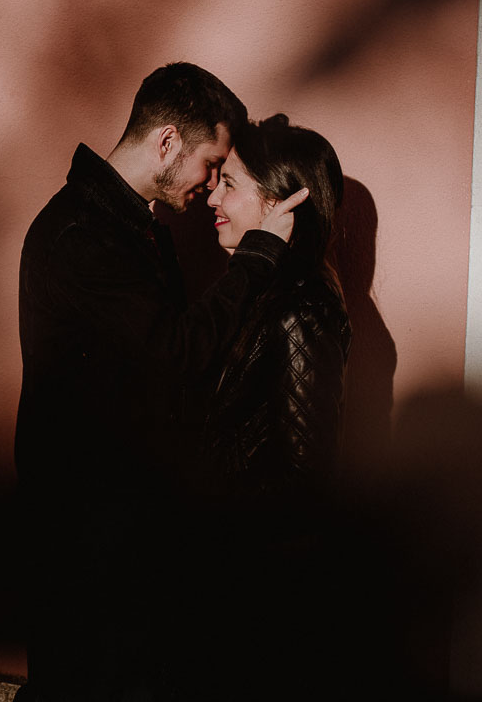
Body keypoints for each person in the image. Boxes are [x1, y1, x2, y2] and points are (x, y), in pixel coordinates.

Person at [13, 64, 307, 701]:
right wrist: (260, 253)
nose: (209, 185)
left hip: (119, 541)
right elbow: (175, 353)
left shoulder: (128, 226)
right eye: (211, 163)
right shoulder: (81, 237)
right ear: (168, 142)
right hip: (84, 545)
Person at [170, 115, 351, 700]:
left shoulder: (301, 311)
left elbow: (304, 479)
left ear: (282, 203)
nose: (211, 198)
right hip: (223, 583)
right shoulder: (257, 295)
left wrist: (196, 514)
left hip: (254, 600)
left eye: (231, 185)